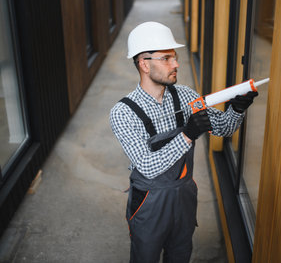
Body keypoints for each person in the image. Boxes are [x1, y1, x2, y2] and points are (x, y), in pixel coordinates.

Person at [109, 21, 258, 263]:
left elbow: (222, 128)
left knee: (180, 254)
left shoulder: (187, 96)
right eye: (167, 58)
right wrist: (187, 135)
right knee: (145, 256)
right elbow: (147, 166)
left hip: (184, 196)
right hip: (150, 202)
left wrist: (237, 110)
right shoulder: (123, 113)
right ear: (144, 64)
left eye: (175, 57)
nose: (176, 64)